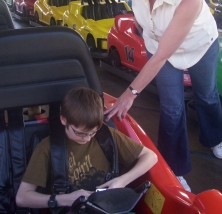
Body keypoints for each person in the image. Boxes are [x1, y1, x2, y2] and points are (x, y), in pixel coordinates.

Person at [104, 0, 222, 192]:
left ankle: (214, 137)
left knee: (206, 95)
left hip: (200, 46)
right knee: (172, 108)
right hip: (161, 49)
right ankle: (175, 168)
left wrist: (130, 93)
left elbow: (160, 56)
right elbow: (143, 27)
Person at [16, 87, 157, 210]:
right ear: (64, 120)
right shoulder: (46, 149)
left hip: (107, 206)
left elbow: (151, 156)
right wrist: (66, 199)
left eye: (93, 132)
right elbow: (22, 198)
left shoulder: (107, 136)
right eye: (80, 133)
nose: (88, 138)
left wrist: (122, 181)